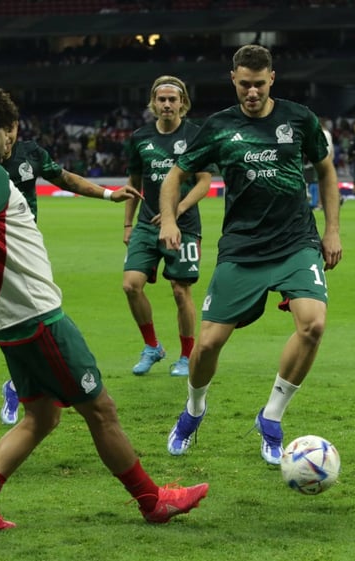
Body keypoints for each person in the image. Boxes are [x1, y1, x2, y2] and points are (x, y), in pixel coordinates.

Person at [0, 82, 208, 531]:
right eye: (9, 130)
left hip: (7, 324)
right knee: (101, 410)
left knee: (41, 417)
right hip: (39, 318)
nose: (13, 138)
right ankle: (152, 500)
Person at [157, 44, 342, 465]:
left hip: (296, 241)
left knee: (312, 325)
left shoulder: (298, 119)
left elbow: (326, 170)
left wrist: (332, 230)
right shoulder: (219, 127)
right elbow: (175, 176)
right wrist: (169, 219)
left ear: (272, 79)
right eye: (245, 84)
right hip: (242, 247)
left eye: (259, 84)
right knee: (207, 346)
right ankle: (193, 410)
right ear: (233, 80)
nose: (252, 92)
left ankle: (271, 417)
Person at [0, 119, 142, 428]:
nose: (7, 136)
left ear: (16, 129)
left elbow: (65, 179)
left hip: (24, 262)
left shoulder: (31, 154)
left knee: (30, 325)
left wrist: (108, 195)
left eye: (11, 128)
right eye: (1, 129)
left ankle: (16, 387)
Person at [122, 75, 213, 377]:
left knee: (180, 290)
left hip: (185, 225)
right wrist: (127, 224)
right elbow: (134, 183)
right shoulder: (140, 138)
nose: (167, 105)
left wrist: (175, 210)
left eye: (172, 99)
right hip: (147, 224)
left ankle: (187, 356)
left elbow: (205, 182)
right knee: (130, 285)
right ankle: (153, 347)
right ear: (153, 103)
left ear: (183, 103)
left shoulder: (195, 135)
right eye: (161, 99)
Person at [304, 118, 334, 210]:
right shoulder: (328, 133)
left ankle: (320, 203)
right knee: (325, 183)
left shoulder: (321, 133)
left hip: (321, 160)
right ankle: (333, 199)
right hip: (328, 159)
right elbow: (331, 149)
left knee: (319, 183)